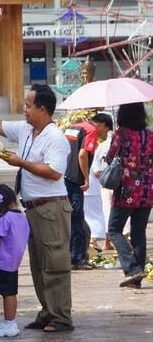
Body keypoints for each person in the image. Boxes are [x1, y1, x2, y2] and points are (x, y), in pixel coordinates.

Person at [0, 84, 74, 333]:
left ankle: (61, 317)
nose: (24, 110)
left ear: (43, 109)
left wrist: (20, 162)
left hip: (52, 206)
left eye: (28, 105)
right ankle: (47, 311)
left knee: (54, 263)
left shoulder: (55, 137)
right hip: (33, 207)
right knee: (37, 263)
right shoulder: (27, 130)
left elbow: (54, 172)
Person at [105, 102, 153, 288]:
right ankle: (138, 274)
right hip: (147, 190)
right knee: (138, 232)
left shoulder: (121, 134)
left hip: (126, 189)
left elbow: (110, 158)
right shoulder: (149, 134)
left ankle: (132, 269)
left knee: (114, 229)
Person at [63, 113, 114, 269]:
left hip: (64, 177)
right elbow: (82, 154)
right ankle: (76, 259)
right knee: (77, 219)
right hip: (75, 180)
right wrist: (85, 178)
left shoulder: (72, 127)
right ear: (103, 125)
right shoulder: (91, 130)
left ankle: (76, 255)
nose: (102, 135)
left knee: (74, 220)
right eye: (105, 132)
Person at [0, 185, 30, 338]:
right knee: (11, 292)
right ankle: (10, 321)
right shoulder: (21, 217)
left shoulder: (5, 218)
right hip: (14, 262)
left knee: (7, 294)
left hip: (1, 262)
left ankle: (9, 323)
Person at [85, 135, 111, 252]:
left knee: (95, 215)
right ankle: (95, 240)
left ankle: (98, 240)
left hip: (89, 186)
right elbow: (96, 171)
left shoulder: (98, 146)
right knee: (103, 214)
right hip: (96, 186)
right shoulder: (98, 147)